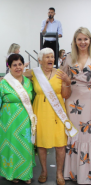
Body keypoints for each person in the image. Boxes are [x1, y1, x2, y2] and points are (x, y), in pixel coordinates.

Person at [23, 48, 77, 185]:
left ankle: (59, 173)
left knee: (60, 144)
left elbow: (65, 95)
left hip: (57, 114)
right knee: (41, 144)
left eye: (52, 57)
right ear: (40, 60)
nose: (50, 59)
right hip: (40, 112)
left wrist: (67, 82)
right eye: (47, 57)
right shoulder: (34, 73)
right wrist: (1, 78)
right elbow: (16, 75)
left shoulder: (60, 74)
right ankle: (44, 171)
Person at [0, 54, 36, 184]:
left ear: (23, 65)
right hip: (8, 121)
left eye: (20, 64)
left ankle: (25, 174)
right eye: (14, 65)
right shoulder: (3, 83)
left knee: (25, 146)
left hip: (25, 120)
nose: (18, 67)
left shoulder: (29, 82)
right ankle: (11, 173)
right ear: (9, 66)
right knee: (10, 146)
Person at [61, 27, 91, 184]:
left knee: (88, 135)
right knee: (74, 134)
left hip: (90, 100)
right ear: (75, 41)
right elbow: (58, 77)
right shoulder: (69, 58)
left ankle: (87, 175)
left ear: (89, 40)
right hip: (72, 101)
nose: (83, 42)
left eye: (85, 39)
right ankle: (73, 173)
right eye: (79, 39)